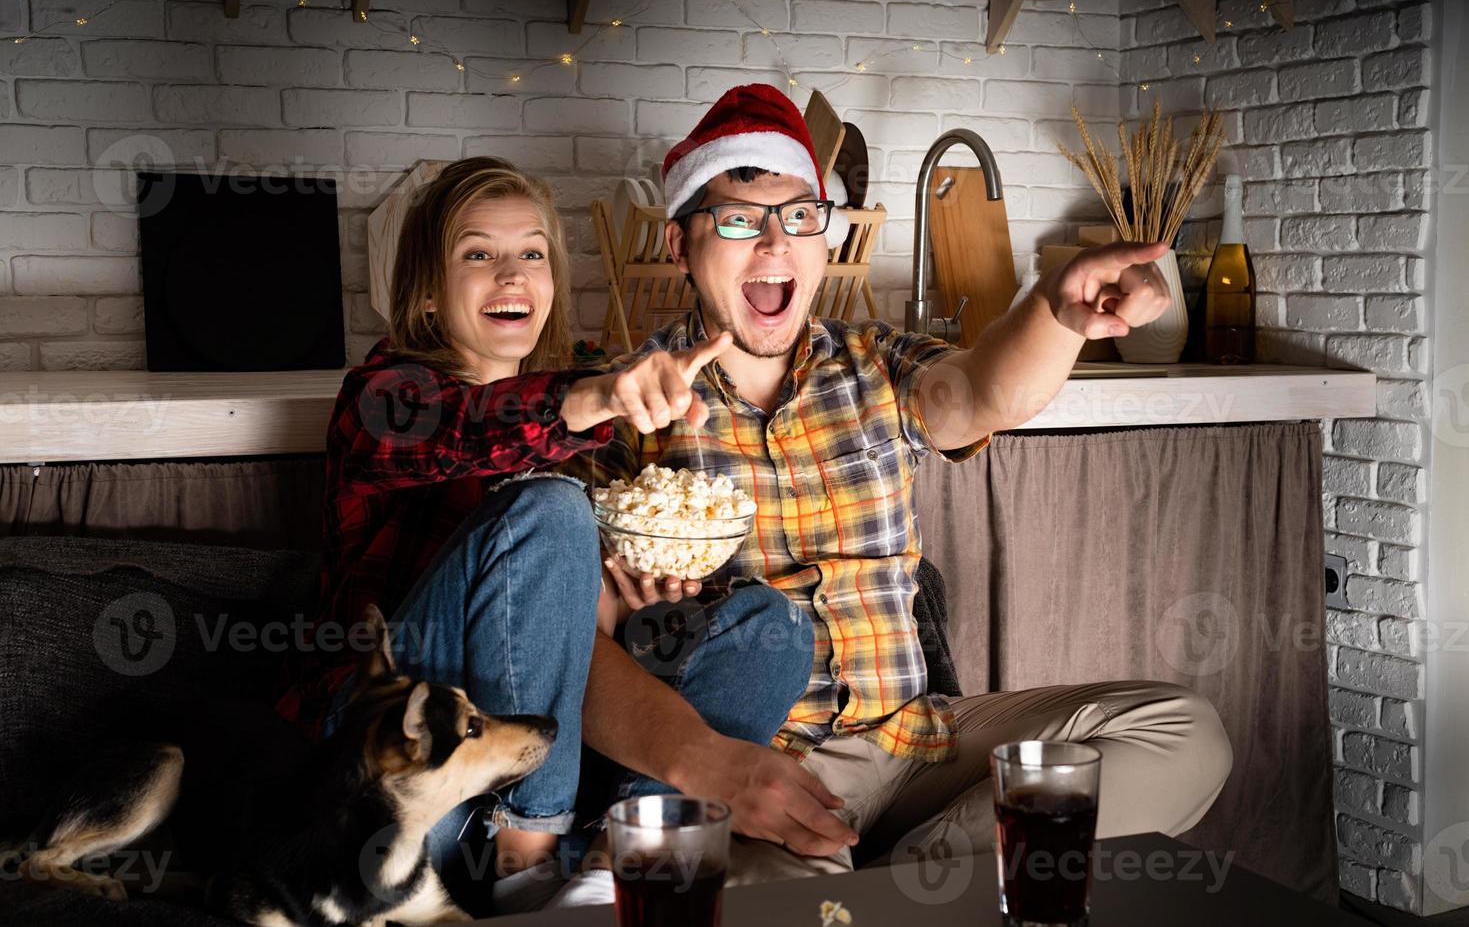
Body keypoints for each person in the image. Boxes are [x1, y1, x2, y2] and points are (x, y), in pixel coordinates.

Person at [558, 84, 1234, 895]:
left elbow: (978, 394)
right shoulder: (621, 404)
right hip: (766, 767)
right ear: (680, 243)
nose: (775, 240)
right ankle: (925, 882)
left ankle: (919, 871)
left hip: (920, 739)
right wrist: (704, 761)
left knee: (1181, 733)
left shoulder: (871, 361)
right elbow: (571, 653)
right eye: (740, 218)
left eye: (800, 216)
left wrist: (1058, 309)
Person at [275, 157, 814, 916]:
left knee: (772, 626)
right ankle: (523, 857)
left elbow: (548, 633)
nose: (511, 273)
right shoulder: (382, 396)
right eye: (477, 254)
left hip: (534, 764)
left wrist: (625, 608)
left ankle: (620, 859)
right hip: (394, 780)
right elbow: (475, 433)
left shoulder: (573, 432)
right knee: (551, 509)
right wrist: (593, 397)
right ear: (427, 290)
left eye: (532, 253)